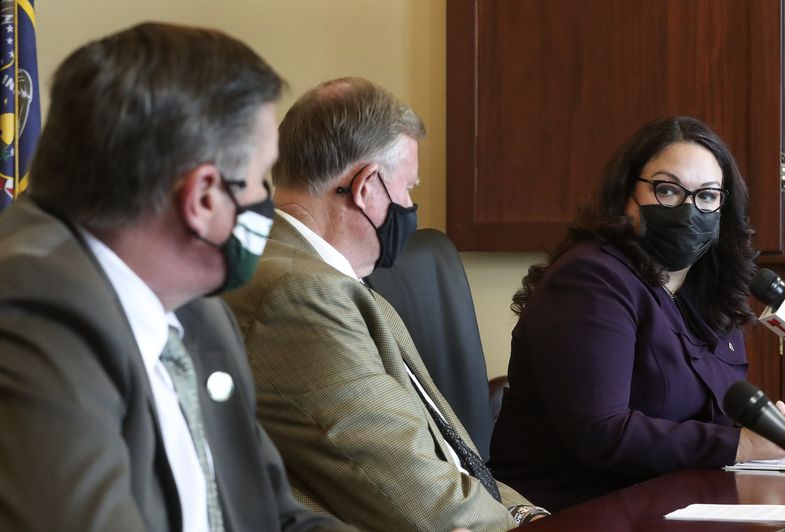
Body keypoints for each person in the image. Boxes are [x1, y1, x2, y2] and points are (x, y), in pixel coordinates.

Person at [0, 22, 353, 531]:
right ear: (205, 196)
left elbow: (271, 517)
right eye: (259, 178)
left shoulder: (196, 309)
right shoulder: (31, 316)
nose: (265, 200)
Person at [223, 77, 548, 531]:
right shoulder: (299, 294)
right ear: (367, 185)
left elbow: (453, 458)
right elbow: (418, 499)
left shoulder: (327, 276)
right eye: (408, 187)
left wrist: (527, 513)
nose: (411, 204)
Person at [489, 116, 785, 512]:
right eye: (668, 190)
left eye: (706, 196)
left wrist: (773, 428)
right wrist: (743, 444)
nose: (689, 210)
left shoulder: (711, 292)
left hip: (678, 500)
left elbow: (707, 419)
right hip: (576, 509)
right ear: (625, 194)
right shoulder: (590, 279)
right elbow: (599, 433)